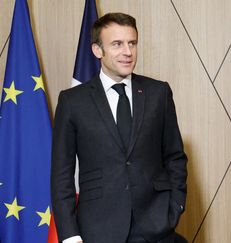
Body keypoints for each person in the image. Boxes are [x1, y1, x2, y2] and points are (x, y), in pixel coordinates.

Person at [51, 13, 188, 243]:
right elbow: (61, 174)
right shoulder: (72, 101)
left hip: (156, 228)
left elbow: (175, 157)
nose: (128, 52)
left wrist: (175, 207)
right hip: (97, 230)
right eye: (117, 44)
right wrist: (70, 236)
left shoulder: (159, 93)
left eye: (132, 43)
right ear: (97, 50)